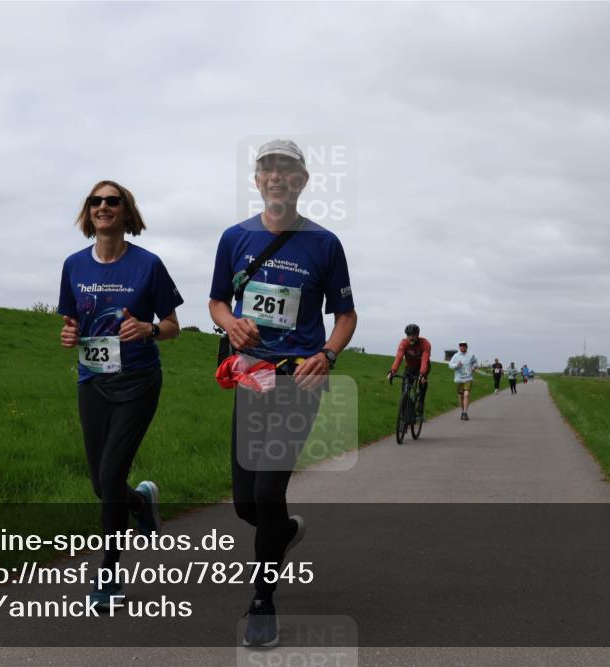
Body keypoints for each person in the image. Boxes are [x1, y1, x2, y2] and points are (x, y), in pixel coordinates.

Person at [209, 139, 357, 647]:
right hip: (251, 376)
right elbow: (216, 301)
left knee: (269, 492)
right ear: (257, 180)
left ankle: (261, 602)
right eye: (267, 168)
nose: (276, 176)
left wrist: (330, 354)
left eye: (287, 169)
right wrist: (230, 324)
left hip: (300, 377)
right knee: (247, 505)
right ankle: (285, 533)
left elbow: (346, 315)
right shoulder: (234, 238)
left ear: (302, 181)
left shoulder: (324, 244)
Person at [58, 180, 184, 607]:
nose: (103, 207)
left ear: (126, 213)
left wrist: (147, 328)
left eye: (113, 201)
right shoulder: (74, 265)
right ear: (88, 212)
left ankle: (108, 578)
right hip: (92, 380)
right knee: (100, 483)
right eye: (96, 201)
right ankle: (142, 501)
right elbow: (73, 322)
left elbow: (171, 326)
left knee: (111, 476)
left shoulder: (148, 265)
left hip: (138, 381)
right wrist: (70, 332)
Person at [387, 323, 431, 412]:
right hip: (410, 367)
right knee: (404, 391)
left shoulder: (425, 344)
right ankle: (405, 414)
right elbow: (399, 357)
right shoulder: (404, 343)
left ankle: (421, 401)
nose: (411, 337)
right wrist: (393, 371)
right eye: (409, 335)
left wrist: (422, 374)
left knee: (422, 381)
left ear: (418, 335)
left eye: (413, 335)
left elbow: (424, 359)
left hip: (422, 366)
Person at [447, 341, 478, 420]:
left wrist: (474, 367)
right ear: (459, 347)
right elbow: (450, 365)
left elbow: (475, 363)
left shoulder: (471, 355)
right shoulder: (456, 356)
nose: (462, 347)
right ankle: (462, 411)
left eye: (464, 345)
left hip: (468, 378)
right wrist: (456, 365)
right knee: (461, 396)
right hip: (459, 379)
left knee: (466, 394)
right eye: (461, 345)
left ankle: (465, 412)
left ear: (466, 347)